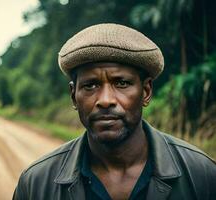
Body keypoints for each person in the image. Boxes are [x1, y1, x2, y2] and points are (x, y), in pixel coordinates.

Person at [13, 24, 216, 200]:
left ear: (146, 92)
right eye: (91, 85)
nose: (106, 100)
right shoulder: (35, 184)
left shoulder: (202, 176)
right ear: (74, 96)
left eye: (122, 83)